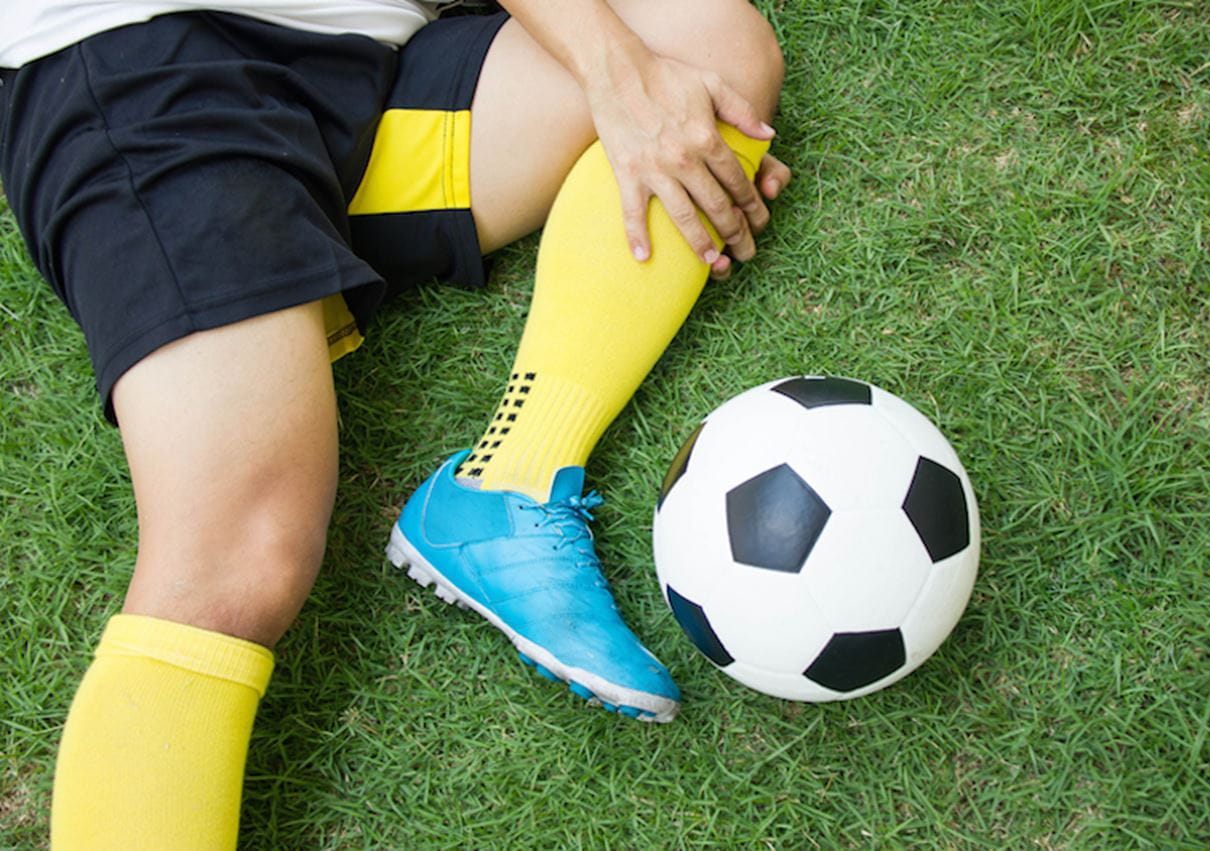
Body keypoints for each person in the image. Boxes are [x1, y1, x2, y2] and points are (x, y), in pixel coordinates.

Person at [0, 0, 788, 845]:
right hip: (156, 68)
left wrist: (632, 82)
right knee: (240, 555)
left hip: (368, 69)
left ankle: (509, 482)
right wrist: (612, 74)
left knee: (704, 60)